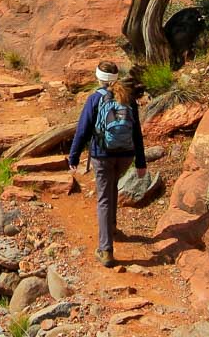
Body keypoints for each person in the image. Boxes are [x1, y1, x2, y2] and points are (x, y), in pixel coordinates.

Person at [67, 62, 147, 267]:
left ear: (98, 78)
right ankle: (111, 227)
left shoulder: (95, 98)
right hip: (126, 155)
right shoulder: (128, 98)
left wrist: (73, 157)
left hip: (102, 154)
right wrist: (140, 161)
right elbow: (136, 132)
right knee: (112, 187)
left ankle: (105, 250)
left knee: (104, 198)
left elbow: (83, 130)